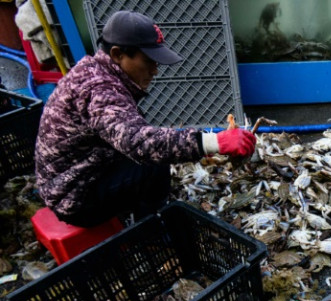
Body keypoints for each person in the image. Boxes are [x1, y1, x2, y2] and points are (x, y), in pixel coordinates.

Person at [34, 10, 256, 228]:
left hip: (75, 176)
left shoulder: (95, 71)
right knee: (153, 166)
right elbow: (138, 142)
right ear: (117, 54)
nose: (155, 70)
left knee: (153, 157)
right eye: (149, 61)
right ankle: (150, 233)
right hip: (74, 198)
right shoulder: (99, 90)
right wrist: (215, 142)